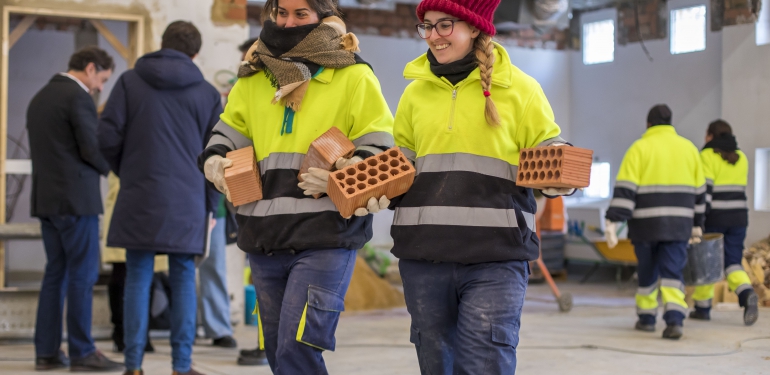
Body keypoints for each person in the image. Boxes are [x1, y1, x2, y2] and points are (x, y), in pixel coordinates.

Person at [199, 0, 394, 372]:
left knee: (297, 347)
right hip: (263, 236)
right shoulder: (254, 78)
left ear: (323, 16)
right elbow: (225, 135)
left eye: (301, 14)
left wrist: (348, 170)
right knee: (276, 351)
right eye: (281, 13)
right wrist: (214, 161)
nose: (288, 22)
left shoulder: (352, 76)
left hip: (325, 236)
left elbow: (379, 142)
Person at [389, 0, 573, 373]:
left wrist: (560, 169)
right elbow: (401, 166)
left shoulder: (521, 89)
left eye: (445, 25)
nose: (433, 37)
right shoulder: (414, 94)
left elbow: (548, 150)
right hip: (424, 256)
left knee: (484, 364)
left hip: (496, 258)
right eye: (427, 26)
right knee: (435, 364)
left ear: (474, 27)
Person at [99, 21, 221, 375]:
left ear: (160, 44)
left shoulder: (128, 82)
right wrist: (210, 207)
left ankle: (133, 366)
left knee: (138, 275)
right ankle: (181, 367)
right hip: (188, 201)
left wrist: (129, 170)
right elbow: (216, 156)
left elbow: (106, 136)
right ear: (195, 53)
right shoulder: (207, 93)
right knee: (183, 276)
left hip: (139, 195)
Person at [27, 46, 123, 372]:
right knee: (82, 275)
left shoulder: (39, 97)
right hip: (76, 202)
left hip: (47, 202)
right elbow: (91, 147)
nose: (100, 88)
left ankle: (47, 352)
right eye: (102, 80)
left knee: (55, 273)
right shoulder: (78, 97)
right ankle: (83, 351)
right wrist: (116, 166)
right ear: (91, 68)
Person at [605, 105, 706, 340]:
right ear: (670, 122)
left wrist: (613, 219)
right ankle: (674, 321)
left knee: (647, 272)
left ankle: (647, 318)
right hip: (678, 226)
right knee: (672, 273)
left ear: (648, 124)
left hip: (645, 226)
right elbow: (700, 192)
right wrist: (697, 224)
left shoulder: (639, 148)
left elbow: (626, 190)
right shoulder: (689, 149)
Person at [690, 120, 758, 325]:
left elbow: (706, 193)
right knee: (732, 261)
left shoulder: (707, 156)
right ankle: (746, 294)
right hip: (738, 218)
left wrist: (698, 221)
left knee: (707, 260)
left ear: (710, 136)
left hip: (716, 218)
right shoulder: (741, 157)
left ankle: (702, 308)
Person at [198, 194, 237, 349]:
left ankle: (219, 329)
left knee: (214, 267)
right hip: (181, 200)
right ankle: (184, 328)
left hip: (215, 208)